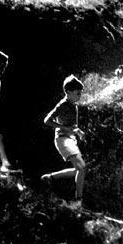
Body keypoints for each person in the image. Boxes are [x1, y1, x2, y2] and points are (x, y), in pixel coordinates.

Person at [41, 75, 86, 207]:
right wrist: (63, 128)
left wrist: (78, 131)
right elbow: (47, 120)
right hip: (62, 140)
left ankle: (50, 178)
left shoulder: (74, 106)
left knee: (79, 170)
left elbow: (73, 126)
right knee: (81, 168)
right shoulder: (62, 105)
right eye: (78, 93)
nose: (80, 95)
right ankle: (78, 201)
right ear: (69, 92)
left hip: (70, 140)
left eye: (81, 93)